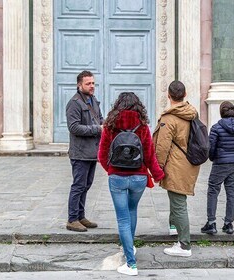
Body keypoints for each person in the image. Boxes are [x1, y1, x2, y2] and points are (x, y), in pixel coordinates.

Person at [98, 92, 164, 276]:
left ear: (117, 104)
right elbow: (150, 155)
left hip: (117, 177)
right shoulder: (142, 126)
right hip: (139, 178)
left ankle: (131, 263)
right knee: (132, 210)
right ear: (138, 105)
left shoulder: (110, 124)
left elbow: (102, 154)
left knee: (122, 218)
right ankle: (130, 246)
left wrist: (111, 170)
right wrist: (157, 174)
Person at [153, 80, 200, 257]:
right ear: (185, 94)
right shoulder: (191, 113)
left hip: (176, 165)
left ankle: (184, 245)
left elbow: (162, 147)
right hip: (188, 162)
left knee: (178, 203)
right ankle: (174, 229)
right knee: (177, 200)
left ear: (168, 95)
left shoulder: (169, 118)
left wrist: (157, 168)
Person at [201, 101, 234, 235]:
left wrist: (214, 158)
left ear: (221, 112)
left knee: (213, 191)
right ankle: (229, 224)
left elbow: (211, 147)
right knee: (231, 192)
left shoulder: (216, 127)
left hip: (220, 163)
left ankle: (211, 223)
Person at [66, 70, 104, 232]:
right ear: (79, 85)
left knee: (86, 185)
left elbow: (100, 119)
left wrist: (106, 125)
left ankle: (81, 216)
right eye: (88, 83)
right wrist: (98, 129)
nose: (91, 86)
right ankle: (72, 219)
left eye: (93, 83)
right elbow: (74, 127)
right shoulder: (74, 103)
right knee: (78, 185)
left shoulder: (93, 100)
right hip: (80, 153)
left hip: (91, 153)